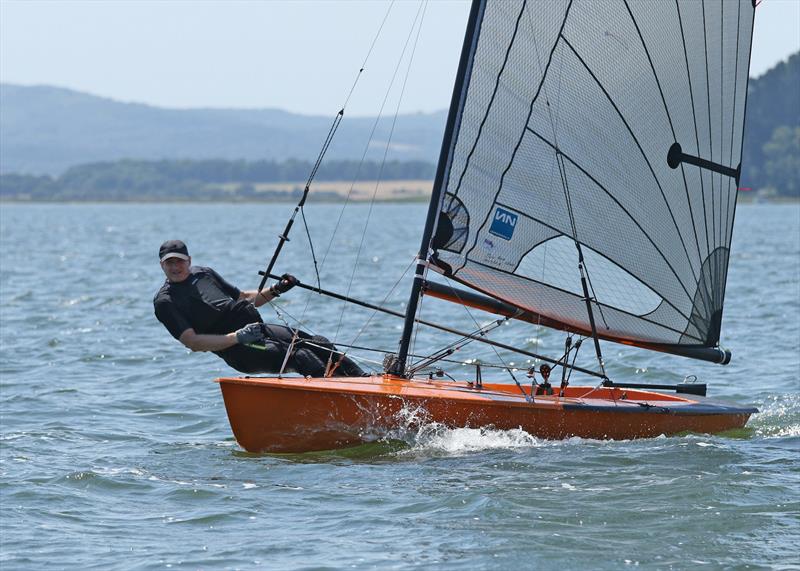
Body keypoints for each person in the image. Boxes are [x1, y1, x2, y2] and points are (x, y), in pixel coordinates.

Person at [153, 239, 366, 377]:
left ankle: (366, 382)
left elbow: (245, 298)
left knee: (319, 344)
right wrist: (237, 338)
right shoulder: (166, 301)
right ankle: (339, 399)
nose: (175, 267)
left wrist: (278, 289)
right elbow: (193, 343)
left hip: (258, 330)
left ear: (189, 260)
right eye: (169, 263)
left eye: (179, 261)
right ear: (162, 265)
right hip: (239, 350)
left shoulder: (204, 273)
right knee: (300, 356)